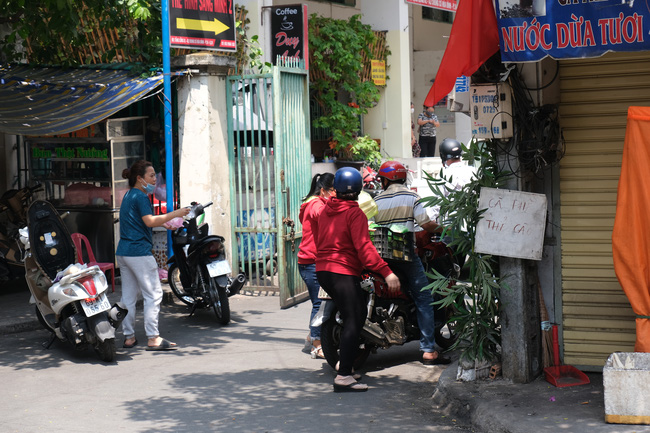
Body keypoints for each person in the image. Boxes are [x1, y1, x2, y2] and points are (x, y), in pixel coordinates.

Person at [315, 167, 400, 392]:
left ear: (337, 189)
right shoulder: (355, 214)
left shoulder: (326, 210)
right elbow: (365, 248)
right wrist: (387, 271)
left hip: (323, 270)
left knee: (356, 314)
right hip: (341, 271)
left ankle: (347, 364)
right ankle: (343, 377)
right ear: (360, 190)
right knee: (354, 318)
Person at [374, 160, 451, 366]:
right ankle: (428, 350)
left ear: (384, 180)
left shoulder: (377, 199)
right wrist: (446, 230)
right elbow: (425, 224)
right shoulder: (412, 197)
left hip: (380, 257)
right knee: (424, 298)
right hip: (405, 256)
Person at [117, 160, 189, 351]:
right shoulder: (140, 197)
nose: (154, 180)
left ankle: (129, 337)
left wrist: (164, 223)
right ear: (140, 179)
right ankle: (153, 337)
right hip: (139, 252)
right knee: (154, 294)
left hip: (124, 252)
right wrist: (175, 214)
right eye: (151, 176)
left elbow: (140, 222)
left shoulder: (129, 196)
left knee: (128, 298)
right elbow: (148, 221)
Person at [298, 172, 336, 359]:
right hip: (311, 262)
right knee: (320, 303)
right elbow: (321, 215)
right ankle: (316, 342)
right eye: (333, 191)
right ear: (323, 191)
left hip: (311, 261)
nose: (336, 194)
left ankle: (311, 336)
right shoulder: (315, 204)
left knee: (318, 302)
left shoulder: (311, 202)